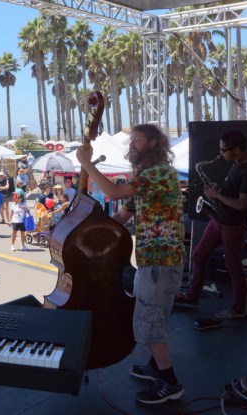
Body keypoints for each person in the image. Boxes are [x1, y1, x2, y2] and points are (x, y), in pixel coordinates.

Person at [76, 123, 185, 405]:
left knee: (150, 322)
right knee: (155, 317)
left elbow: (113, 193)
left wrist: (87, 163)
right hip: (155, 260)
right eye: (131, 140)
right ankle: (155, 366)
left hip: (160, 261)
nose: (132, 144)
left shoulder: (159, 173)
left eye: (137, 140)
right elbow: (121, 217)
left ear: (153, 144)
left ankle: (170, 383)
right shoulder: (146, 179)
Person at [175, 130, 247, 320]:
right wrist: (217, 189)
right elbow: (231, 193)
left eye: (224, 150)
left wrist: (217, 196)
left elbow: (241, 204)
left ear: (237, 149)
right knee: (198, 255)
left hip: (234, 225)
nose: (221, 154)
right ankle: (192, 296)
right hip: (219, 220)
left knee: (233, 266)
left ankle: (238, 309)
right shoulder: (237, 164)